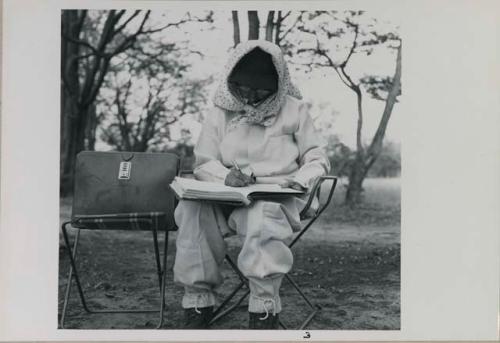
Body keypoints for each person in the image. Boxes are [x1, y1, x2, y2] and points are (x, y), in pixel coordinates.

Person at [173, 40, 331, 329]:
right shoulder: (220, 110)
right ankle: (198, 300)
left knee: (262, 217)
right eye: (243, 89)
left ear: (278, 85)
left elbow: (317, 158)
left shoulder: (295, 109)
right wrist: (225, 177)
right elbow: (204, 160)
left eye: (260, 91)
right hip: (224, 193)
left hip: (276, 195)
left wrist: (297, 181)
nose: (251, 97)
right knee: (191, 211)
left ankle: (263, 306)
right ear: (232, 82)